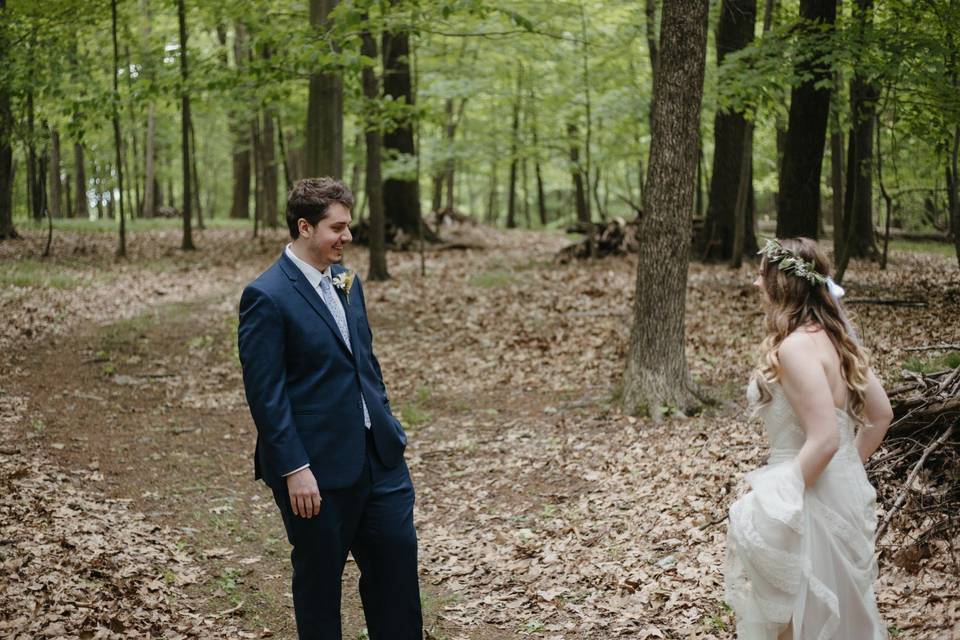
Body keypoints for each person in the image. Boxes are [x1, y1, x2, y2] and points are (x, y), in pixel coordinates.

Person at [237, 177, 423, 640]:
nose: (348, 237)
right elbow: (266, 394)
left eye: (349, 226)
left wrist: (386, 420)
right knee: (320, 585)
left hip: (379, 457)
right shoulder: (266, 296)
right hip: (315, 471)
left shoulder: (346, 280)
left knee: (397, 574)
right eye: (337, 228)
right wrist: (294, 467)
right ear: (304, 227)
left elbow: (365, 359)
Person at [725, 237, 894, 639]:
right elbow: (880, 415)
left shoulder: (797, 348)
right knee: (822, 613)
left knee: (799, 622)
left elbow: (823, 439)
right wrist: (848, 471)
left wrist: (780, 495)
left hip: (807, 496)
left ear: (783, 283)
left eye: (761, 274)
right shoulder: (836, 340)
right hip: (831, 488)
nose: (755, 284)